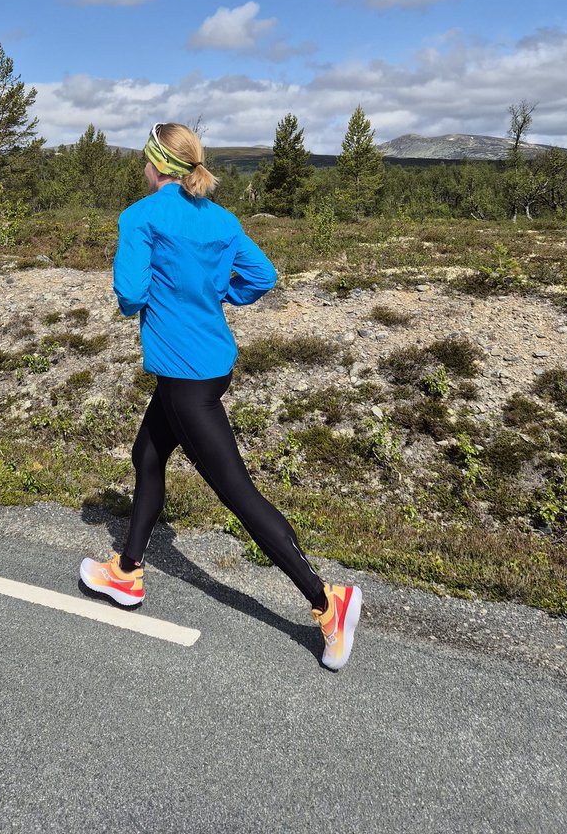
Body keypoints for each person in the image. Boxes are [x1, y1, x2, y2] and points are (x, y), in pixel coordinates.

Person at [80, 122, 361, 670]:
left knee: (238, 494)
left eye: (144, 158)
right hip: (208, 367)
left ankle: (327, 602)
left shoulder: (140, 217)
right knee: (148, 455)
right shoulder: (222, 219)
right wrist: (218, 291)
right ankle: (127, 571)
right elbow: (262, 275)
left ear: (155, 163)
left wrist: (145, 298)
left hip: (186, 379)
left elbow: (131, 295)